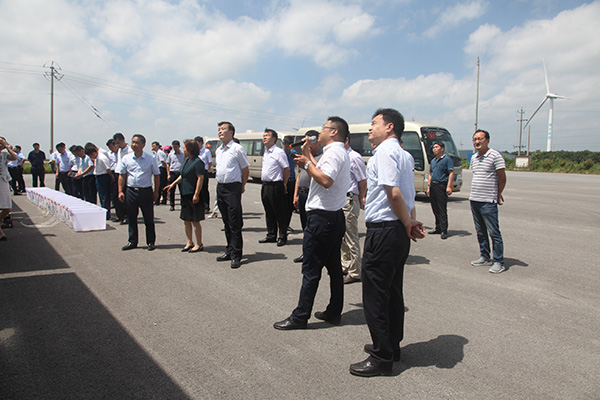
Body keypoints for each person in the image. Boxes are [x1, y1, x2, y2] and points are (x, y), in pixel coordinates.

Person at [349, 108, 425, 377]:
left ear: (389, 127)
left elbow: (394, 194)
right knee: (392, 291)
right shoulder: (405, 155)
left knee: (375, 295)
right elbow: (408, 195)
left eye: (374, 123)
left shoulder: (384, 152)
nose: (370, 128)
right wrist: (410, 222)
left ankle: (381, 357)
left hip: (384, 230)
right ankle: (391, 345)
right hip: (397, 230)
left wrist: (408, 223)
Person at [273, 116, 350, 330]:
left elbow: (326, 180)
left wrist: (306, 163)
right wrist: (307, 156)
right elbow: (321, 171)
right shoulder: (337, 152)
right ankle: (334, 311)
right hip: (332, 217)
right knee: (334, 268)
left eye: (324, 128)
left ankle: (300, 316)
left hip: (322, 219)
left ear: (334, 132)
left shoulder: (333, 152)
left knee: (311, 268)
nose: (320, 131)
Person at [469, 129, 506, 274]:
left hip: (488, 201)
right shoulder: (474, 158)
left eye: (480, 139)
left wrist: (498, 193)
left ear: (488, 140)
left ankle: (499, 261)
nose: (477, 142)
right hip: (475, 199)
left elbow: (502, 177)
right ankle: (484, 256)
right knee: (480, 231)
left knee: (493, 232)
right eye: (475, 139)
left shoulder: (495, 156)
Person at [214, 121, 249, 269]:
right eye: (219, 129)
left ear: (231, 133)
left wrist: (242, 186)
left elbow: (245, 169)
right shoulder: (219, 150)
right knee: (226, 222)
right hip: (220, 187)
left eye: (223, 129)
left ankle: (236, 255)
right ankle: (229, 250)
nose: (220, 131)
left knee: (234, 222)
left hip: (233, 188)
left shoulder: (237, 149)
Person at [117, 134, 160, 251]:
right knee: (131, 217)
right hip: (131, 191)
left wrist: (156, 191)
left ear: (143, 145)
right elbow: (122, 175)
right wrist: (120, 191)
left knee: (148, 218)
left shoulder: (150, 159)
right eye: (133, 142)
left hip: (145, 191)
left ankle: (150, 241)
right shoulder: (126, 158)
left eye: (136, 142)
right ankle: (132, 241)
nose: (134, 145)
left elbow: (156, 175)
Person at [165, 139, 205, 253]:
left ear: (190, 149)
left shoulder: (197, 162)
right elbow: (183, 175)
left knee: (195, 220)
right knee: (186, 219)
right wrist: (172, 184)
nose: (183, 151)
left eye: (184, 148)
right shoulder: (187, 160)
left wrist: (196, 194)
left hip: (193, 195)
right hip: (185, 194)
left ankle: (199, 243)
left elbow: (200, 178)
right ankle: (189, 242)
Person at [291, 130, 321, 264]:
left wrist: (308, 159)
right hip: (302, 194)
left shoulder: (321, 157)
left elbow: (316, 175)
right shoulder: (304, 156)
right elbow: (299, 177)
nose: (305, 145)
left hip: (313, 194)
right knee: (305, 226)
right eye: (304, 142)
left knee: (313, 227)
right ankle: (306, 253)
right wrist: (296, 195)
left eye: (308, 141)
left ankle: (315, 254)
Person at [341, 136, 367, 284]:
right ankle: (345, 265)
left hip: (350, 199)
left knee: (351, 236)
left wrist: (362, 197)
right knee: (342, 236)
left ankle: (355, 271)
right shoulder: (340, 156)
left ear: (346, 140)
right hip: (340, 199)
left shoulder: (354, 157)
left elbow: (362, 180)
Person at [259, 128, 290, 246]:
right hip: (265, 185)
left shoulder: (278, 152)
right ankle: (271, 235)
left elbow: (286, 168)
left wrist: (284, 183)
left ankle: (282, 236)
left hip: (276, 185)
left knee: (279, 212)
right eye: (264, 135)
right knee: (268, 211)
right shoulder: (266, 152)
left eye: (267, 135)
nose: (264, 137)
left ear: (274, 139)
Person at [427, 141, 454, 239]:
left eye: (436, 147)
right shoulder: (433, 161)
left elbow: (451, 173)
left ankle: (444, 230)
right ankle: (438, 227)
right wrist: (428, 187)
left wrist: (449, 186)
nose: (434, 149)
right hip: (433, 186)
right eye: (433, 147)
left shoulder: (447, 159)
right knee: (435, 208)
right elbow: (430, 174)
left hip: (441, 186)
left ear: (442, 149)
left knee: (442, 209)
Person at [85, 143, 113, 219]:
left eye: (91, 155)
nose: (91, 157)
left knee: (105, 196)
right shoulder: (97, 157)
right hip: (98, 177)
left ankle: (106, 214)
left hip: (103, 177)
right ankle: (103, 211)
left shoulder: (101, 157)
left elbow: (108, 169)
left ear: (94, 153)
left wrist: (112, 177)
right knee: (101, 195)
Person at [0, 137, 18, 241]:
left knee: (7, 208)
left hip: (3, 180)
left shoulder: (4, 154)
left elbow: (14, 157)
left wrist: (7, 147)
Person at [113, 133, 131, 223]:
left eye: (118, 143)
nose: (117, 145)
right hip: (117, 173)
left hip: (125, 175)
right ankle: (120, 216)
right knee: (116, 196)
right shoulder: (119, 150)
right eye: (116, 143)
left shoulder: (129, 151)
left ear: (123, 140)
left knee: (125, 197)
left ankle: (127, 216)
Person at [282, 135, 297, 232]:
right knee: (282, 205)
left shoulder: (293, 153)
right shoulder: (280, 153)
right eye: (287, 146)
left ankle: (286, 224)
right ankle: (281, 224)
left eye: (290, 146)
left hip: (291, 180)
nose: (288, 149)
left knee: (290, 206)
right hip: (283, 181)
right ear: (283, 144)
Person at [195, 136, 213, 213]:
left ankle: (206, 207)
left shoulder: (206, 151)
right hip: (196, 172)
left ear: (201, 143)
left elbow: (210, 162)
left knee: (204, 189)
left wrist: (206, 170)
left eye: (197, 143)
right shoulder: (195, 152)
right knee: (197, 189)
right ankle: (198, 206)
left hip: (203, 171)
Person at [166, 140, 185, 211]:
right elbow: (168, 164)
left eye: (176, 147)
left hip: (180, 173)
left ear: (179, 146)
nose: (175, 149)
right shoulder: (171, 155)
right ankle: (172, 205)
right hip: (173, 173)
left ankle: (183, 204)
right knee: (172, 190)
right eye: (174, 147)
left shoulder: (183, 154)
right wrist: (168, 174)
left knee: (182, 190)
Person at [151, 141, 168, 206]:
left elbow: (163, 162)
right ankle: (163, 199)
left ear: (158, 146)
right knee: (162, 184)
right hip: (160, 168)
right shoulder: (157, 152)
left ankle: (157, 200)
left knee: (159, 185)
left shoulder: (160, 152)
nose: (153, 147)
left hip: (162, 169)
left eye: (154, 146)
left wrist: (167, 170)